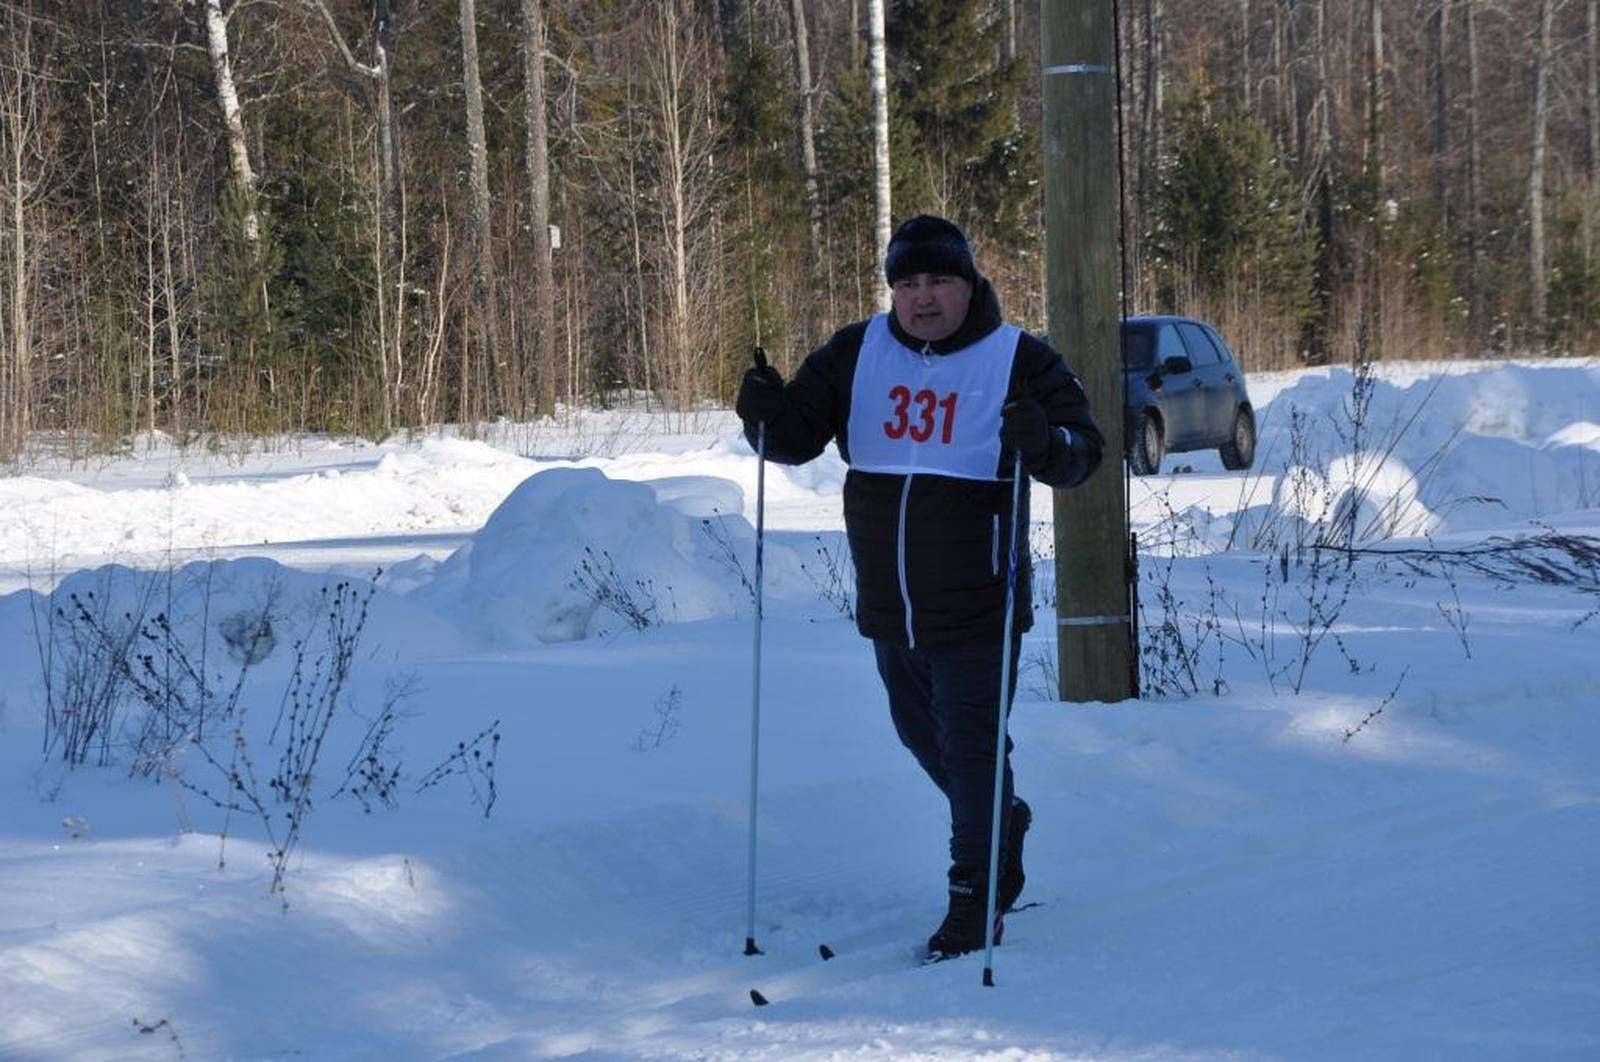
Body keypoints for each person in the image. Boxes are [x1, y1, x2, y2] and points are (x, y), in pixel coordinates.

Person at [736, 214, 1105, 959]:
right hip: (890, 602)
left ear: (969, 284)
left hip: (981, 601)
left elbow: (1082, 452)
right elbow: (796, 436)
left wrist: (1045, 440)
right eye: (908, 283)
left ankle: (972, 901)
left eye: (939, 281)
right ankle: (1003, 822)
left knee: (969, 748)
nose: (923, 298)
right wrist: (763, 416)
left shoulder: (1017, 360)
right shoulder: (854, 351)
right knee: (919, 735)